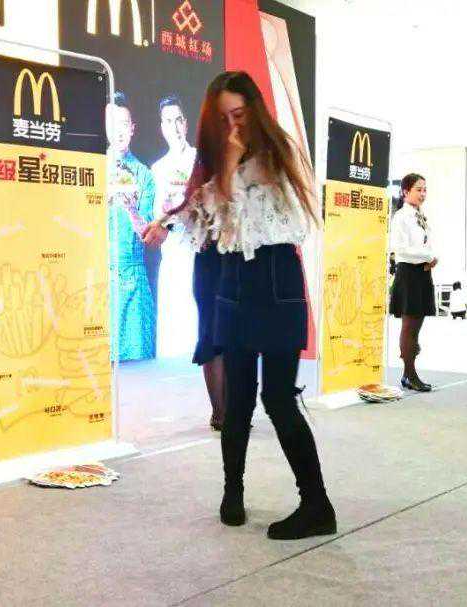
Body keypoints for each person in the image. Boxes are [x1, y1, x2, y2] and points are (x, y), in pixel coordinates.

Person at [144, 71, 335, 541]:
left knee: (278, 397)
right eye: (224, 117)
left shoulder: (276, 152)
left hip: (275, 277)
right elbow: (203, 213)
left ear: (255, 110)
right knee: (238, 399)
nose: (232, 126)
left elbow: (255, 216)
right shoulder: (215, 160)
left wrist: (227, 168)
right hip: (231, 279)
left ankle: (317, 504)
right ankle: (233, 492)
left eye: (240, 114)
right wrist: (166, 222)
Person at [149, 96, 225, 430]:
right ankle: (220, 412)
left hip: (230, 257)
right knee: (207, 332)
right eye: (168, 120)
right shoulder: (162, 168)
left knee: (231, 336)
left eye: (179, 119)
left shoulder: (218, 163)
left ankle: (234, 409)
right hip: (197, 255)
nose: (176, 126)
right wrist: (162, 221)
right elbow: (187, 204)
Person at [108, 92, 157, 362]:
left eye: (124, 124)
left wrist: (130, 208)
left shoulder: (144, 175)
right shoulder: (93, 169)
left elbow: (148, 235)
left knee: (139, 365)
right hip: (100, 279)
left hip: (134, 278)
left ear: (132, 129)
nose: (119, 131)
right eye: (113, 124)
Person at [388, 173, 436, 392]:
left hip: (422, 273)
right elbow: (401, 248)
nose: (423, 194)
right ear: (405, 191)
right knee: (409, 327)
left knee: (416, 327)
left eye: (425, 189)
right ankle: (409, 374)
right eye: (418, 189)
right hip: (409, 273)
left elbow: (423, 244)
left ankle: (409, 374)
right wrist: (428, 256)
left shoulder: (419, 215)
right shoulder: (401, 216)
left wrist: (431, 257)